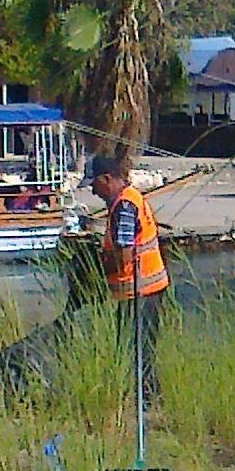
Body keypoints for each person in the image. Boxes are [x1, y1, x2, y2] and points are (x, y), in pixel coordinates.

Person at [87, 150, 169, 406]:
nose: (93, 191)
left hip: (139, 289)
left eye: (94, 184)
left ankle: (146, 402)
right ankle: (147, 398)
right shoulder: (129, 199)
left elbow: (123, 252)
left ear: (107, 179)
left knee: (136, 348)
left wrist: (100, 270)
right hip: (146, 288)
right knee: (141, 347)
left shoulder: (124, 205)